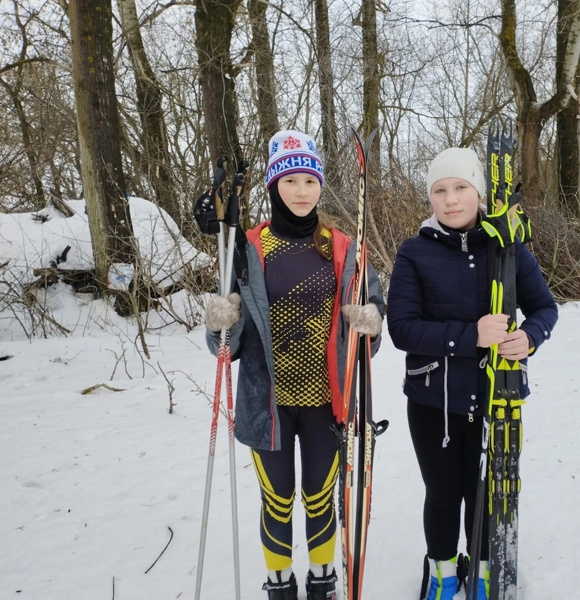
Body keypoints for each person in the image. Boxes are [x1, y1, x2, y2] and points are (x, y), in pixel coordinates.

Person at [204, 130, 384, 600]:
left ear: (321, 185)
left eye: (310, 180)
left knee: (320, 499)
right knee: (277, 501)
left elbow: (371, 323)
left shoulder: (344, 248)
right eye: (291, 181)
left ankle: (322, 578)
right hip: (269, 404)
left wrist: (370, 321)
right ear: (272, 186)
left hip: (327, 401)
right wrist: (219, 322)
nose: (302, 191)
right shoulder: (248, 249)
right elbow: (228, 347)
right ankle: (280, 583)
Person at [387, 147, 558, 600]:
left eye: (461, 187)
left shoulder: (507, 249)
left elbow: (544, 307)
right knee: (442, 493)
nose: (451, 199)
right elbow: (402, 328)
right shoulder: (414, 253)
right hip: (433, 402)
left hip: (495, 395)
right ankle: (443, 573)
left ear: (478, 192)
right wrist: (470, 336)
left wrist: (531, 337)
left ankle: (483, 572)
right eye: (440, 190)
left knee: (486, 492)